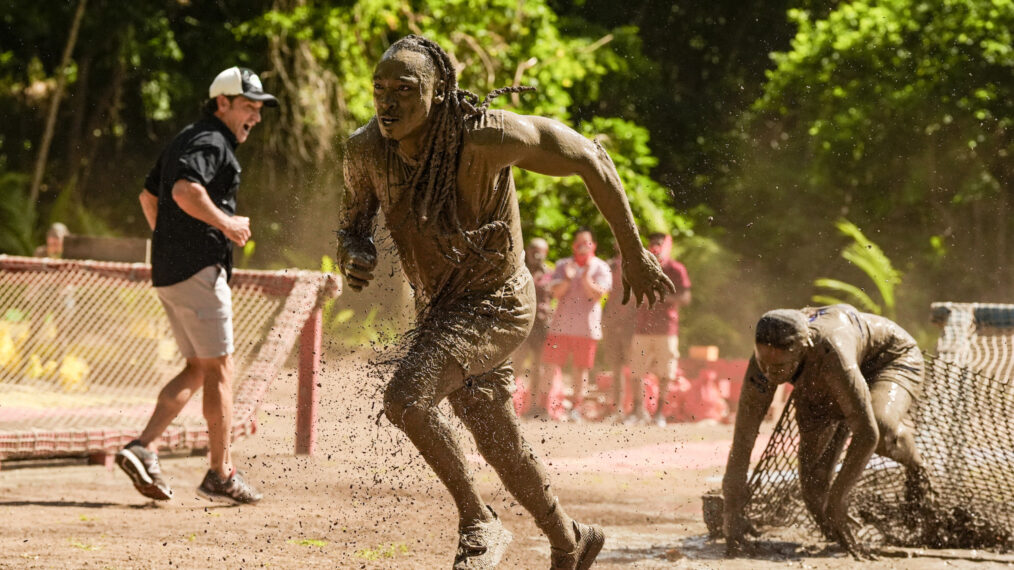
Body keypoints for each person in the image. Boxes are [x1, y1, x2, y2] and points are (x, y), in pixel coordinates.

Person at [339, 35, 675, 569]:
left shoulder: (487, 135)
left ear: (439, 92)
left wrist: (631, 252)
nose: (387, 102)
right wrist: (353, 253)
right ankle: (571, 538)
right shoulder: (365, 151)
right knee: (495, 435)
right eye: (379, 89)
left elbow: (590, 154)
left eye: (404, 89)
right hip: (444, 309)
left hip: (498, 301)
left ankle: (478, 521)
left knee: (405, 400)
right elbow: (352, 227)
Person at [115, 66, 277, 505]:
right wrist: (225, 224)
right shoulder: (212, 140)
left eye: (259, 109)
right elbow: (186, 190)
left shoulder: (187, 137)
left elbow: (150, 196)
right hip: (199, 271)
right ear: (221, 102)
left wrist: (170, 242)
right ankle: (221, 474)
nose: (256, 118)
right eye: (248, 106)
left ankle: (142, 446)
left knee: (199, 367)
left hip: (171, 272)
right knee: (221, 370)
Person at [722, 305, 930, 560]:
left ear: (804, 348)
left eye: (780, 366)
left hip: (887, 361)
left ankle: (917, 469)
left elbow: (867, 433)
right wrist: (731, 506)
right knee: (812, 489)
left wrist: (837, 502)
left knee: (881, 426)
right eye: (764, 363)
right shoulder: (764, 362)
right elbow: (743, 439)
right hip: (820, 378)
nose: (770, 373)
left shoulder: (832, 351)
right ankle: (842, 531)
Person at [540, 228, 612, 423]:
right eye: (578, 243)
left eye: (586, 243)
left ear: (593, 245)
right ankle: (549, 406)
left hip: (587, 328)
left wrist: (586, 277)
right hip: (561, 326)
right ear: (573, 245)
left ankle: (576, 409)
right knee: (551, 367)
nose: (582, 247)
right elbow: (556, 294)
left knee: (581, 370)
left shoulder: (601, 267)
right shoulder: (563, 265)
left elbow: (597, 295)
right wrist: (569, 278)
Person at [626, 232, 691, 427]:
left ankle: (659, 413)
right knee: (636, 371)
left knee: (666, 373)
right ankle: (638, 411)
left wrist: (660, 297)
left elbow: (685, 299)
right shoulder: (642, 268)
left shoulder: (676, 269)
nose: (656, 246)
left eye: (660, 243)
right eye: (652, 242)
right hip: (642, 328)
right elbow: (630, 296)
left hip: (666, 329)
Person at [595, 251, 637, 423]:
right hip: (611, 322)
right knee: (616, 367)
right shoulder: (609, 265)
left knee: (634, 368)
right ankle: (618, 408)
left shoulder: (636, 265)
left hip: (630, 324)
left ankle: (636, 409)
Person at [515, 237, 554, 418]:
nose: (536, 254)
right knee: (516, 364)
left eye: (540, 250)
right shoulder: (519, 271)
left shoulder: (550, 273)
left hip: (542, 324)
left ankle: (534, 406)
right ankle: (512, 405)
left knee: (539, 367)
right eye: (532, 249)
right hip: (522, 324)